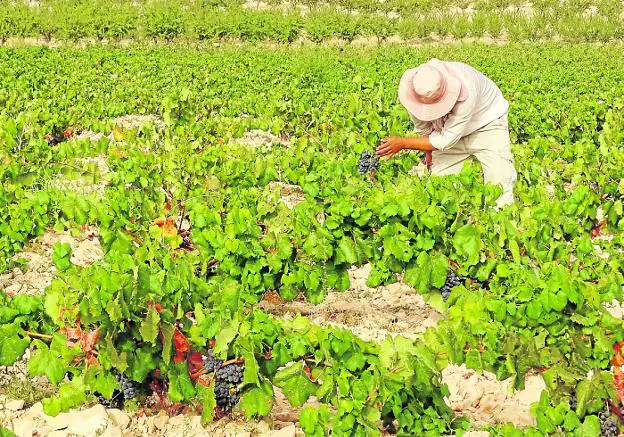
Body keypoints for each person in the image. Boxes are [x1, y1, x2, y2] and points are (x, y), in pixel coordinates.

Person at [376, 58, 517, 208]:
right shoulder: (417, 91)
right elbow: (426, 130)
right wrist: (429, 154)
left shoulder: (467, 89)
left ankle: (499, 224)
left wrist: (403, 143)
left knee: (499, 184)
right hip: (446, 131)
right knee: (440, 188)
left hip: (487, 124)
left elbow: (444, 141)